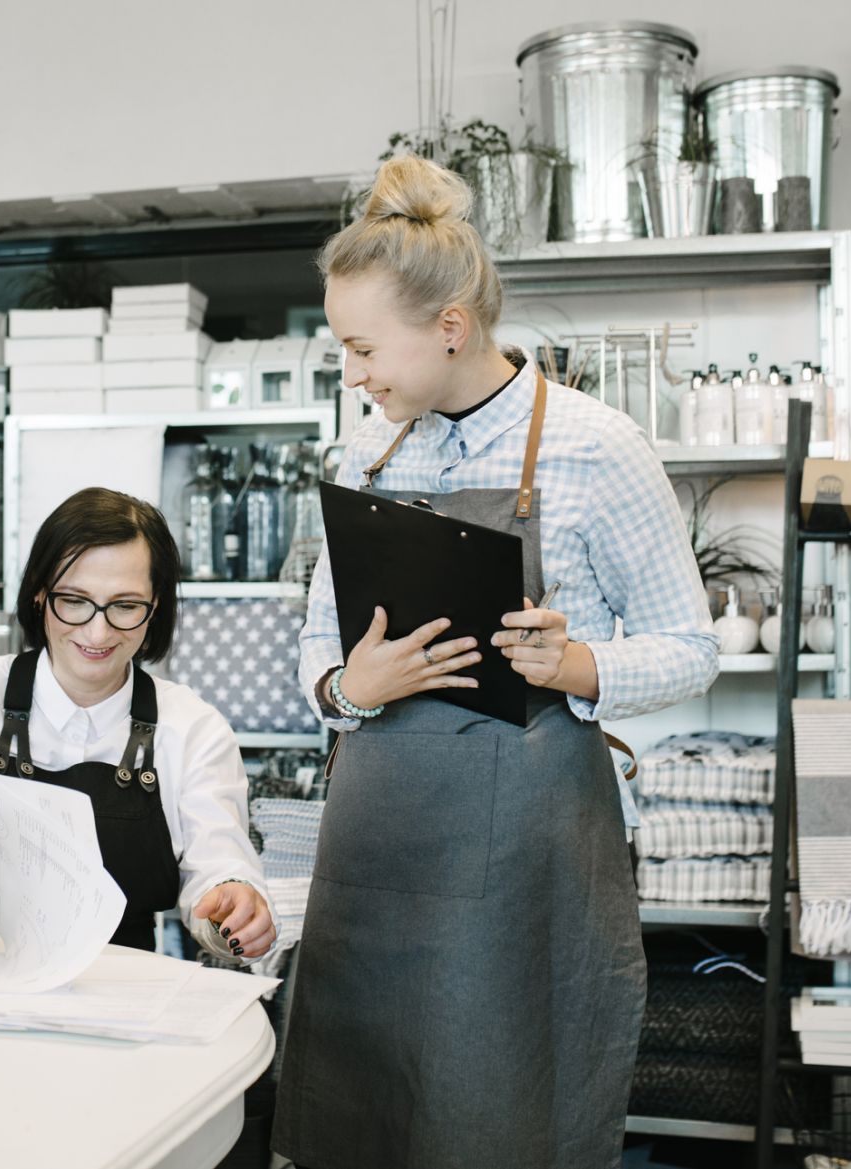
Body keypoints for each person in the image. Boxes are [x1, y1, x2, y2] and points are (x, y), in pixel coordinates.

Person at [272, 155, 719, 1169]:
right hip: (381, 833)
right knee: (366, 1096)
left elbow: (691, 649)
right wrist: (350, 688)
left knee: (512, 1100)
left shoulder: (597, 449)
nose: (355, 377)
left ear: (450, 328)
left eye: (361, 349)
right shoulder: (367, 453)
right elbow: (317, 643)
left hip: (530, 842)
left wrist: (578, 665)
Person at [0, 486, 276, 962]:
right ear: (38, 596)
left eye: (126, 606)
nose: (98, 632)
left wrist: (233, 909)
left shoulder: (195, 729)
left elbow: (219, 868)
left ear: (156, 609)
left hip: (126, 993)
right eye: (74, 601)